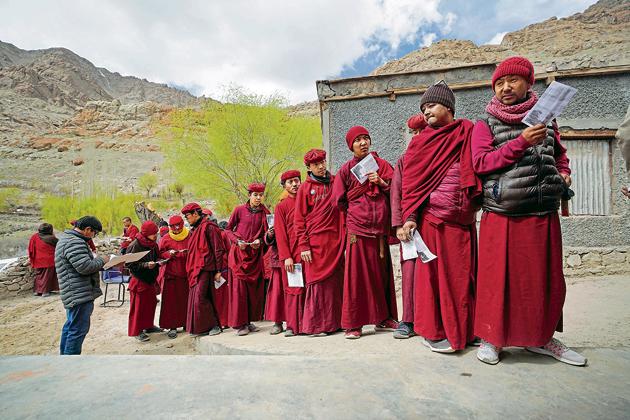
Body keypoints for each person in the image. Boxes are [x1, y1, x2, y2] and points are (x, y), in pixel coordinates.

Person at [471, 56, 586, 366]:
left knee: (542, 280)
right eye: (499, 83)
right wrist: (520, 142)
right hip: (503, 212)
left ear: (528, 83)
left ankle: (542, 338)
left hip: (542, 211)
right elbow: (480, 163)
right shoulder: (485, 123)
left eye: (513, 81)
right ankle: (492, 338)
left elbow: (559, 155)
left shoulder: (547, 119)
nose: (505, 87)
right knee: (498, 281)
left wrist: (563, 173)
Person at [401, 81, 481, 353]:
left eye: (431, 105)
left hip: (464, 219)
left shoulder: (467, 131)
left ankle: (467, 330)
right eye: (423, 108)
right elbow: (411, 184)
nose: (426, 112)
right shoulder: (420, 144)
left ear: (448, 106)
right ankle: (433, 332)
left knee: (464, 279)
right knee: (434, 281)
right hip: (434, 220)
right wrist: (409, 217)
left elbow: (480, 163)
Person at [333, 126, 398, 339]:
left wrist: (381, 182)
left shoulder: (381, 165)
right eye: (358, 140)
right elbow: (339, 201)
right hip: (357, 230)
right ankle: (354, 324)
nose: (363, 143)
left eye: (365, 139)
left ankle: (384, 318)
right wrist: (356, 213)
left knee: (382, 276)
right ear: (350, 145)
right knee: (356, 278)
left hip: (379, 230)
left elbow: (397, 189)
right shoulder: (345, 170)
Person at [294, 149, 346, 337]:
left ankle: (337, 322)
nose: (322, 166)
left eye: (323, 162)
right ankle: (317, 326)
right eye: (316, 164)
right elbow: (299, 221)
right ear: (308, 167)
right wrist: (304, 246)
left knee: (335, 283)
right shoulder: (305, 189)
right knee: (317, 284)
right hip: (315, 245)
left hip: (335, 241)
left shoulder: (334, 183)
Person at [390, 114, 428, 339]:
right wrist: (397, 225)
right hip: (409, 226)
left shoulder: (440, 155)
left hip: (434, 222)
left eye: (421, 130)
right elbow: (396, 193)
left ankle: (433, 320)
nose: (417, 136)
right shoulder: (404, 159)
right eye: (413, 133)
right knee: (410, 271)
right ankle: (409, 320)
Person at [55, 216, 109, 355]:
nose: (93, 236)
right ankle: (71, 362)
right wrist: (102, 260)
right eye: (94, 233)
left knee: (71, 327)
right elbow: (84, 267)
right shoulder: (74, 243)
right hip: (78, 293)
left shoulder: (69, 240)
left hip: (75, 291)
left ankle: (64, 359)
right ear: (87, 229)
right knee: (77, 330)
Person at [225, 183, 269, 336]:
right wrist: (237, 241)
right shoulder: (239, 210)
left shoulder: (265, 213)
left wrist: (261, 242)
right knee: (239, 291)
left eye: (260, 195)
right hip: (239, 257)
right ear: (249, 195)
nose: (258, 198)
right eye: (255, 195)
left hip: (254, 258)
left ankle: (249, 321)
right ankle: (239, 324)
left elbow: (267, 234)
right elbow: (228, 229)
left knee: (252, 292)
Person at [182, 202, 226, 337]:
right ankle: (201, 328)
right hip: (196, 269)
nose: (187, 219)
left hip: (207, 268)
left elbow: (218, 249)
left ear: (196, 214)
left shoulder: (209, 227)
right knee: (197, 297)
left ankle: (214, 325)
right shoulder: (195, 230)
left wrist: (219, 270)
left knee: (200, 297)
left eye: (188, 216)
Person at [274, 169, 305, 337]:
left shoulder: (306, 200)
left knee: (307, 288)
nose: (294, 184)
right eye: (290, 182)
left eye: (296, 180)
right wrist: (286, 257)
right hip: (291, 255)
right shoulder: (281, 206)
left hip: (307, 252)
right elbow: (280, 234)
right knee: (293, 289)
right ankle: (292, 325)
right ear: (284, 186)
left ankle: (307, 324)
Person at [126, 221, 162, 342]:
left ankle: (148, 326)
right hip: (139, 280)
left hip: (150, 279)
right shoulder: (135, 245)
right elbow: (129, 264)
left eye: (156, 233)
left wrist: (162, 260)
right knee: (138, 307)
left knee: (150, 304)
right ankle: (137, 331)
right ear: (146, 233)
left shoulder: (152, 244)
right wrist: (146, 265)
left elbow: (158, 256)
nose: (155, 236)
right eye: (153, 234)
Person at [157, 215, 190, 339]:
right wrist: (168, 254)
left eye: (178, 226)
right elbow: (159, 254)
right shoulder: (165, 238)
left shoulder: (190, 235)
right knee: (171, 302)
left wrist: (188, 252)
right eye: (173, 227)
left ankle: (187, 323)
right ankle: (172, 326)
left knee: (186, 300)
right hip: (171, 274)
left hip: (187, 273)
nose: (176, 229)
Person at [263, 207, 285, 335]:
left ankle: (296, 322)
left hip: (296, 255)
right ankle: (277, 322)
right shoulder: (279, 209)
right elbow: (268, 239)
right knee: (277, 292)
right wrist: (270, 234)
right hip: (278, 258)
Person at [28, 223, 59, 297]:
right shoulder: (51, 238)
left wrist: (31, 258)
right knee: (46, 276)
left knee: (39, 275)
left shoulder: (34, 236)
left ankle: (37, 291)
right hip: (49, 260)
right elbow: (59, 245)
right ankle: (45, 292)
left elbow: (30, 249)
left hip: (37, 260)